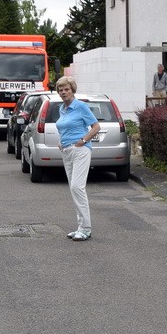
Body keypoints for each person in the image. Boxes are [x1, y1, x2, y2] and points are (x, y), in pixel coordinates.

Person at [55, 76, 100, 242]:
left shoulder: (80, 106)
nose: (63, 92)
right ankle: (80, 227)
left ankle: (86, 229)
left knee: (77, 187)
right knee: (73, 189)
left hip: (80, 150)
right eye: (61, 90)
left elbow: (96, 127)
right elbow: (63, 127)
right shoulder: (62, 109)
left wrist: (84, 140)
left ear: (72, 90)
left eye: (66, 89)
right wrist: (61, 141)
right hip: (66, 151)